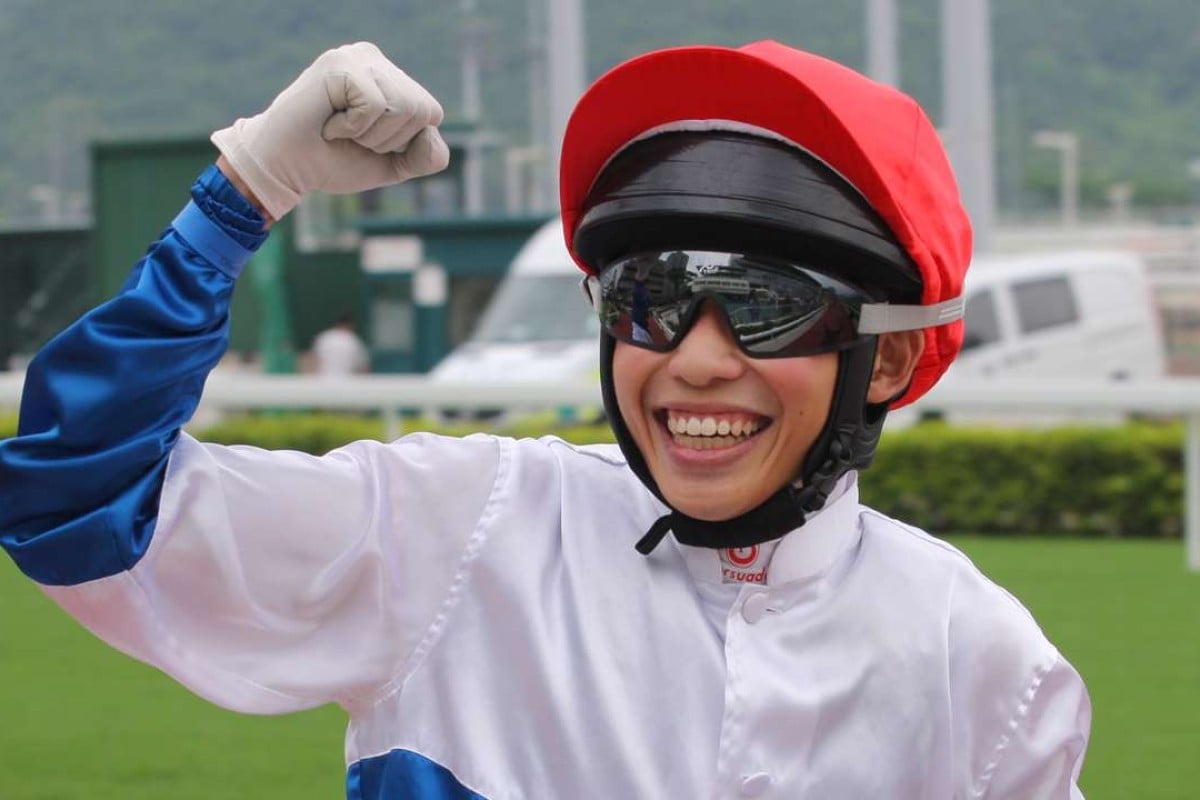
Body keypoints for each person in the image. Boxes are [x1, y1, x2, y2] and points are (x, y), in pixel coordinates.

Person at [0, 40, 1090, 798]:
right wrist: (244, 191)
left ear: (889, 354)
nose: (696, 361)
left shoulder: (979, 657)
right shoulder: (462, 528)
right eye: (648, 299)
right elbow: (78, 494)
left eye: (765, 309)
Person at [312, 311, 371, 375]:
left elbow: (313, 361)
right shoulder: (354, 340)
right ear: (351, 324)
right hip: (346, 381)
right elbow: (364, 368)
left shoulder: (324, 337)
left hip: (323, 381)